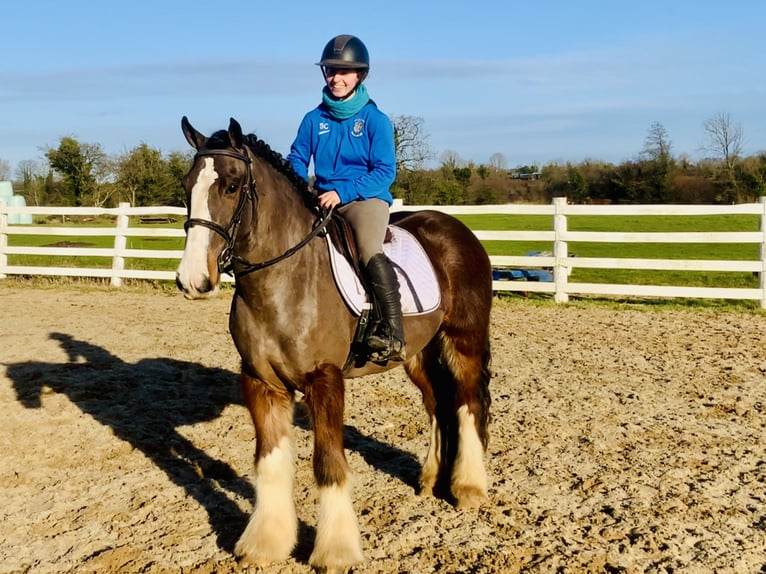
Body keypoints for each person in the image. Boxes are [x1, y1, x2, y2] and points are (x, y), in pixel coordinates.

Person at [287, 34, 405, 362]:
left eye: (343, 72)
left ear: (359, 76)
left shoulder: (375, 121)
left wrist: (343, 192)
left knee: (367, 248)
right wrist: (301, 185)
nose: (335, 78)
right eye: (330, 71)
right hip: (322, 198)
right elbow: (297, 156)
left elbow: (385, 171)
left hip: (364, 199)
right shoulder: (314, 119)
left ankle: (393, 331)